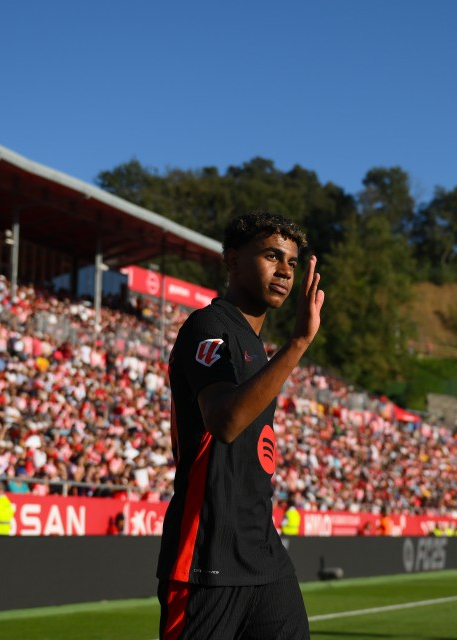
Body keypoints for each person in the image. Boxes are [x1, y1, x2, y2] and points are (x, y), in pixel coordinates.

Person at [156, 211, 324, 640]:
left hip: (262, 551)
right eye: (271, 256)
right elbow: (225, 422)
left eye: (291, 261)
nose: (284, 271)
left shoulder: (255, 345)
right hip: (207, 554)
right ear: (230, 260)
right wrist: (299, 343)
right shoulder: (207, 326)